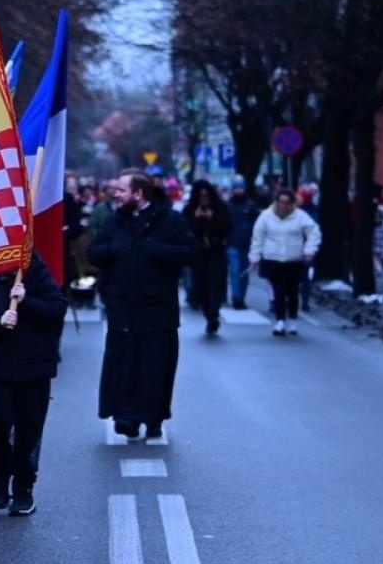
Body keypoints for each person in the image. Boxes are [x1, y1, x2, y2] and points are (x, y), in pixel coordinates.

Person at [90, 171, 196, 441]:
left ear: (138, 194)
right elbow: (94, 253)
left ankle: (153, 418)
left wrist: (156, 250)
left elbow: (190, 252)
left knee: (155, 367)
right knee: (123, 366)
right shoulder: (115, 221)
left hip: (157, 309)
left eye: (122, 190)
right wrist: (112, 249)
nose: (116, 194)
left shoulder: (169, 219)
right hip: (122, 308)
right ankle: (125, 417)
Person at [0, 253, 65, 516]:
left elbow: (57, 308)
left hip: (35, 367)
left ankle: (24, 488)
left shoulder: (31, 265)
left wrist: (27, 302)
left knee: (29, 431)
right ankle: (0, 472)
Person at [249, 188, 322, 336]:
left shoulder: (301, 217)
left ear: (292, 204)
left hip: (294, 259)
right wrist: (254, 257)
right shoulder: (266, 216)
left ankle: (293, 320)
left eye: (287, 203)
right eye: (281, 202)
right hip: (273, 259)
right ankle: (280, 320)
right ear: (276, 202)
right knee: (278, 290)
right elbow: (258, 237)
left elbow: (314, 232)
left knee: (293, 291)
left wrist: (309, 250)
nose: (283, 206)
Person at [182, 180, 231, 335]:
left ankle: (214, 314)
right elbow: (185, 231)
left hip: (216, 252)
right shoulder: (189, 209)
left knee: (215, 285)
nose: (204, 199)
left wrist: (211, 219)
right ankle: (209, 316)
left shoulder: (220, 208)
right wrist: (196, 218)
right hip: (198, 254)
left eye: (206, 195)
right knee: (201, 288)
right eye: (201, 196)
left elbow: (227, 227)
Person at [226, 183, 259, 310]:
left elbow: (257, 225)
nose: (238, 190)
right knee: (234, 271)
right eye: (236, 188)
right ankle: (236, 297)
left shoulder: (251, 205)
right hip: (232, 243)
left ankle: (242, 297)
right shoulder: (228, 206)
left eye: (241, 188)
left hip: (248, 244)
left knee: (244, 273)